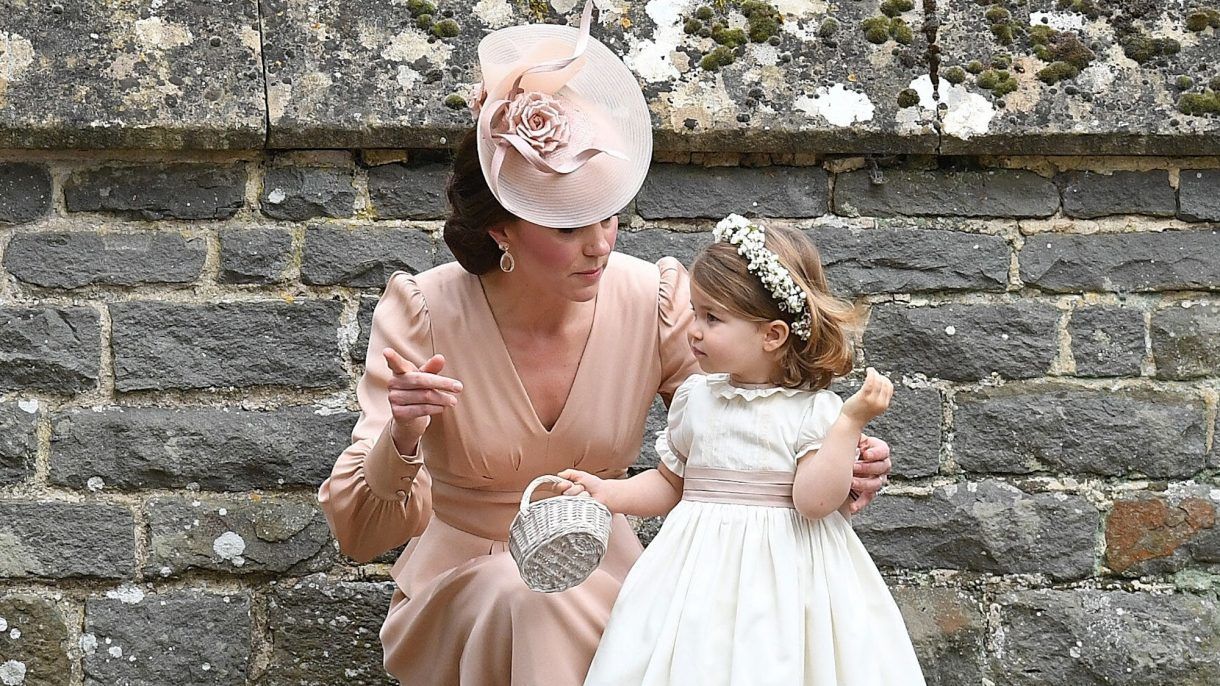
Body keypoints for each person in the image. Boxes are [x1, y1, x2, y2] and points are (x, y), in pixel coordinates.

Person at [317, 3, 893, 684]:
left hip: (609, 578)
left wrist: (842, 451)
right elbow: (361, 532)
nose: (600, 244)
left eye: (609, 217)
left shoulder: (653, 299)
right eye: (568, 229)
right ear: (502, 229)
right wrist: (404, 438)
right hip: (464, 586)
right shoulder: (424, 309)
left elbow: (748, 418)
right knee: (527, 599)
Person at [565, 215, 924, 685]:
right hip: (696, 577)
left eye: (712, 318)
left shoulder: (815, 413)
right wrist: (609, 493)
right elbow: (671, 483)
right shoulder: (697, 399)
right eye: (695, 312)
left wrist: (849, 424)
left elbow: (814, 502)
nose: (694, 330)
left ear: (772, 335)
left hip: (787, 583)